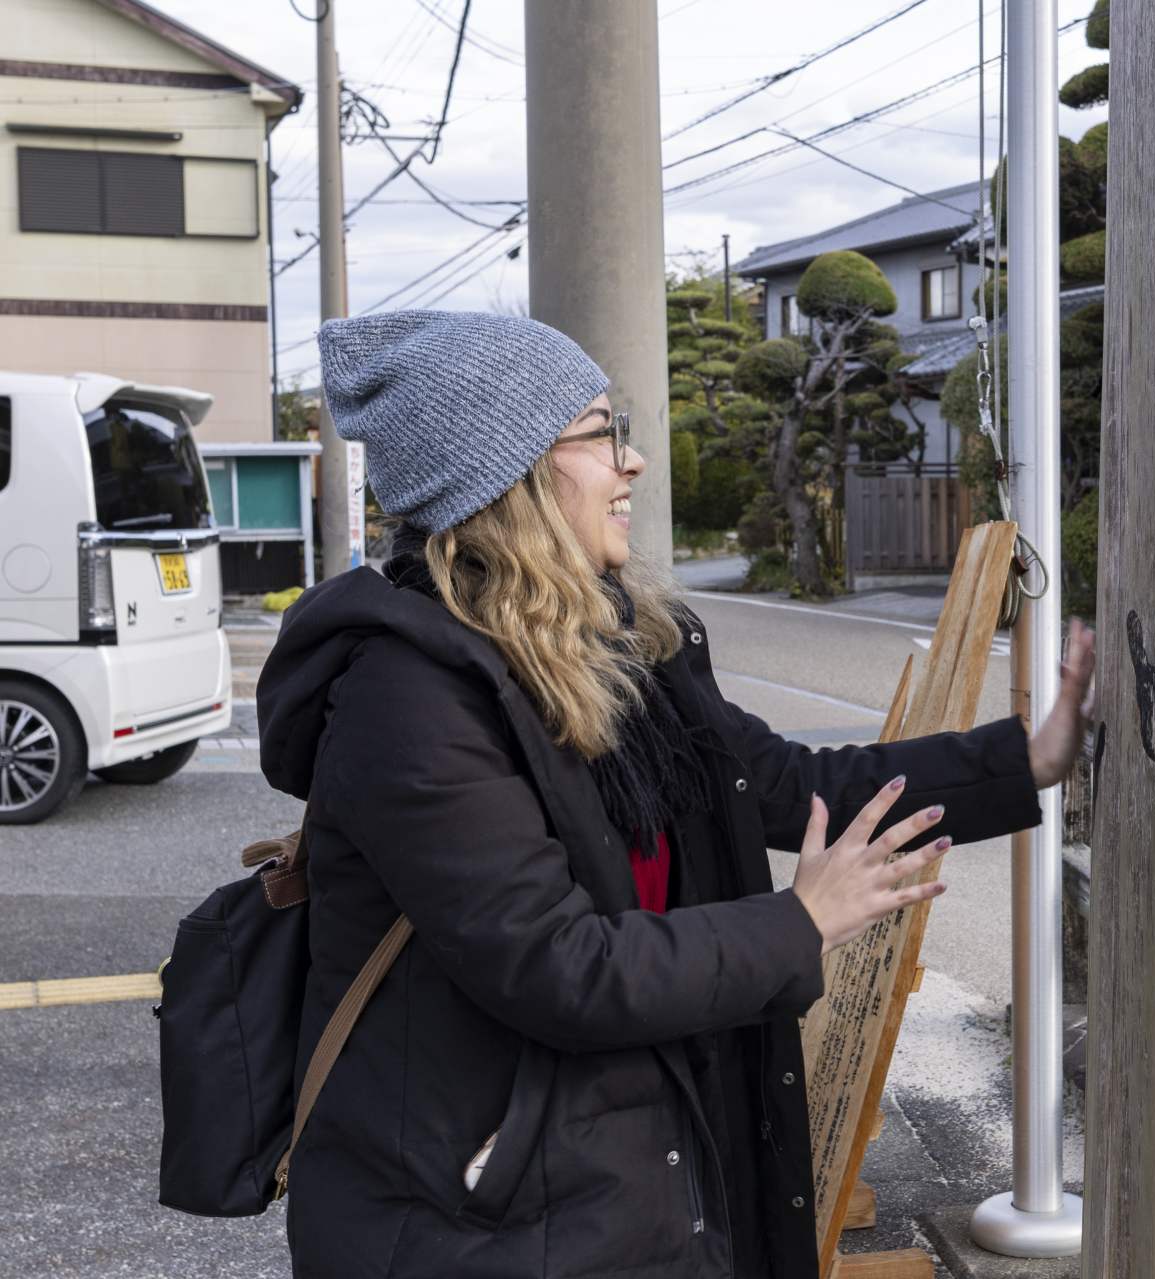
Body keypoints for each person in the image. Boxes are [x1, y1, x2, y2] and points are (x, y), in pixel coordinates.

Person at [255, 310, 1096, 1279]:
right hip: (481, 1217)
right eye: (604, 431)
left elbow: (793, 785)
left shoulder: (617, 649)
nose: (635, 463)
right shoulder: (407, 698)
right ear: (512, 470)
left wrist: (1026, 761)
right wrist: (799, 923)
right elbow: (559, 965)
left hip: (628, 1170)